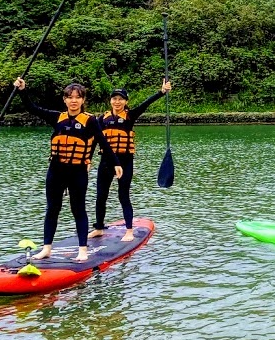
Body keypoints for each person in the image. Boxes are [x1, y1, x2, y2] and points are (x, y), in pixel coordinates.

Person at [14, 78, 120, 262]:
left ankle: (83, 250)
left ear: (82, 100)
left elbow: (104, 142)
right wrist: (22, 90)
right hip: (55, 171)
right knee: (52, 209)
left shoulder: (90, 121)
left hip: (77, 172)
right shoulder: (57, 117)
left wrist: (116, 163)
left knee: (78, 209)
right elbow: (32, 108)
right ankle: (47, 248)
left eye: (77, 97)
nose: (73, 100)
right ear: (64, 100)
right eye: (70, 97)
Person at [90, 80, 172, 243]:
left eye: (120, 99)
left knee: (123, 195)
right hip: (106, 162)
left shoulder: (130, 116)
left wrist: (161, 92)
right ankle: (98, 228)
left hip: (125, 161)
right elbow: (94, 140)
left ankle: (129, 230)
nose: (117, 102)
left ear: (126, 101)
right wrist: (87, 160)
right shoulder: (101, 119)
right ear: (110, 101)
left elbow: (145, 104)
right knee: (101, 196)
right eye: (114, 98)